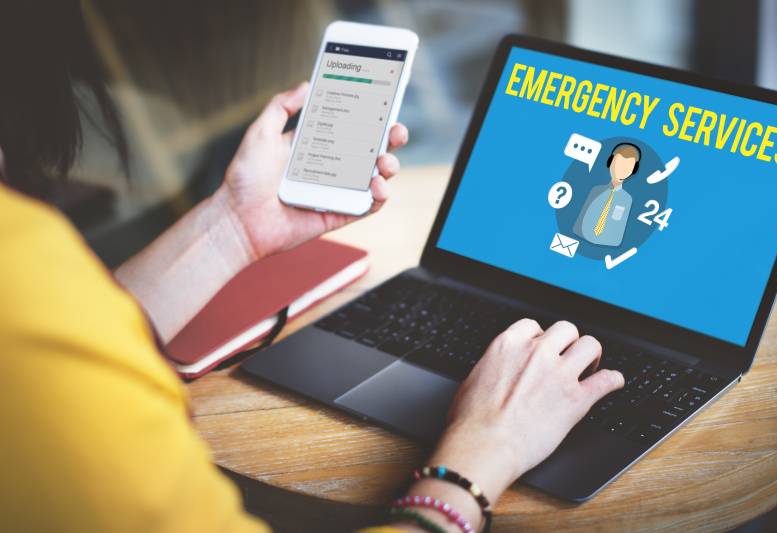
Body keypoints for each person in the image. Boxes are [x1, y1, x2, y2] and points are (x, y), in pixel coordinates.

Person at [0, 4, 623, 532]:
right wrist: (486, 448)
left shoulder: (28, 266)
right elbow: (46, 346)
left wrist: (234, 226)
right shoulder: (23, 293)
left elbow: (74, 325)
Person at [574, 142, 641, 247]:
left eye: (627, 167)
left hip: (606, 245)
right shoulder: (596, 190)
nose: (621, 171)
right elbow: (579, 225)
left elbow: (617, 234)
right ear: (610, 162)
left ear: (633, 170)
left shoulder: (626, 200)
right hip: (581, 239)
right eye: (619, 164)